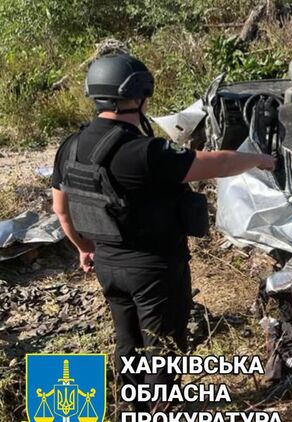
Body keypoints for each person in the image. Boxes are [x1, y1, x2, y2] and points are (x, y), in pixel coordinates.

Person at [51, 54, 275, 412]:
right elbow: (215, 163)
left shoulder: (70, 147)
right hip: (154, 268)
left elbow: (61, 211)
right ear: (139, 95)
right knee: (163, 352)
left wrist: (84, 247)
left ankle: (133, 409)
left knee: (128, 343)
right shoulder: (144, 151)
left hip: (108, 264)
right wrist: (258, 160)